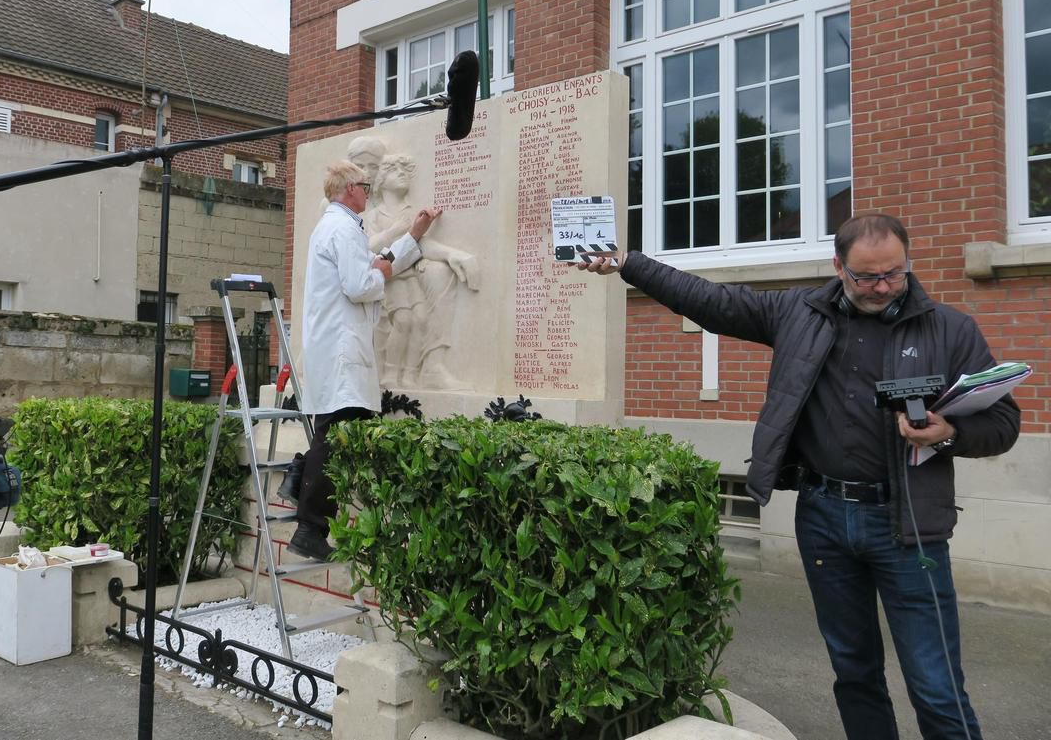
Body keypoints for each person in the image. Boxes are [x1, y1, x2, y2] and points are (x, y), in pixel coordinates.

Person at [582, 213, 1019, 740]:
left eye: (895, 274)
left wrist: (947, 432)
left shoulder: (949, 329)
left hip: (907, 527)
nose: (882, 287)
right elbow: (710, 302)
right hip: (824, 518)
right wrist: (630, 263)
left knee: (935, 683)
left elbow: (1003, 423)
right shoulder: (798, 312)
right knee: (854, 672)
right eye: (866, 277)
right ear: (838, 267)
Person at [280, 161, 441, 561]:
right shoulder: (342, 228)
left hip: (338, 348)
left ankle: (298, 484)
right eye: (364, 186)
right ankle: (310, 525)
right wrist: (382, 273)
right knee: (336, 435)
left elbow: (372, 266)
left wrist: (411, 237)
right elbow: (361, 283)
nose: (367, 192)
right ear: (349, 188)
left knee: (339, 432)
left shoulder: (338, 227)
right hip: (341, 349)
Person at [363, 154, 478, 387]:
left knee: (421, 318)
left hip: (408, 276)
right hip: (388, 279)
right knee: (404, 320)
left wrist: (450, 254)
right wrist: (394, 230)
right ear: (381, 180)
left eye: (405, 169)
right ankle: (390, 374)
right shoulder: (373, 215)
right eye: (394, 170)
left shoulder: (410, 211)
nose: (402, 173)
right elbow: (368, 246)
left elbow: (419, 243)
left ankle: (410, 374)